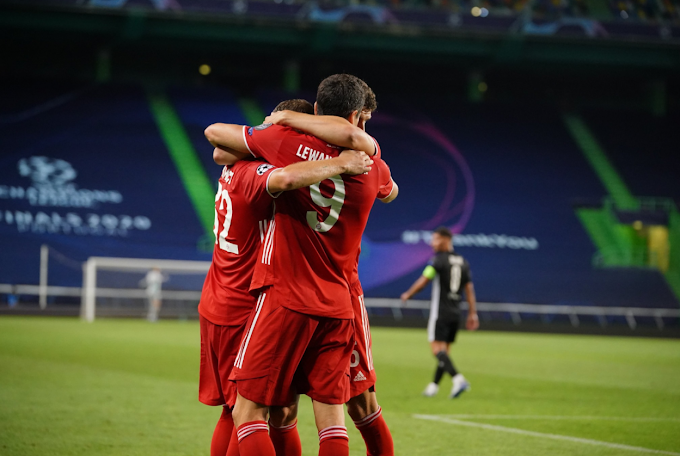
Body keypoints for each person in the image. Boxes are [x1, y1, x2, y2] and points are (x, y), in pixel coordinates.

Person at [204, 73, 394, 456]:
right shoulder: (373, 165)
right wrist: (344, 159)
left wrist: (283, 122)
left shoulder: (284, 144)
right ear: (357, 115)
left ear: (319, 111)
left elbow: (220, 145)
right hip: (341, 302)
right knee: (337, 414)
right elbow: (389, 188)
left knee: (247, 410)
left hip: (280, 297)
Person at [400, 226, 479, 398]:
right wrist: (473, 313)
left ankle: (458, 379)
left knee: (437, 350)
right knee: (445, 353)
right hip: (455, 312)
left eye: (435, 239)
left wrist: (408, 294)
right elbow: (469, 289)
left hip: (440, 312)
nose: (432, 243)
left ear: (445, 240)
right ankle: (433, 386)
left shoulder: (437, 261)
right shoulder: (463, 261)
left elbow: (424, 280)